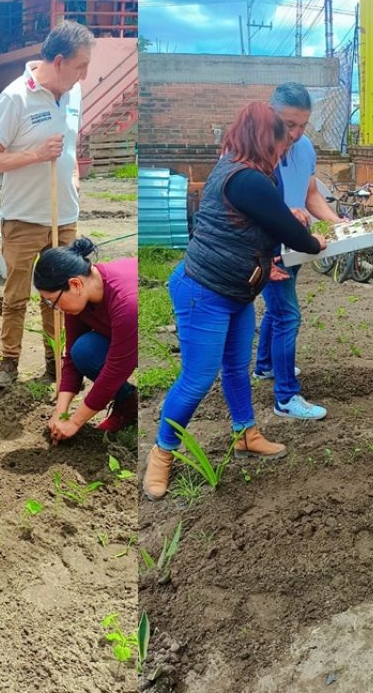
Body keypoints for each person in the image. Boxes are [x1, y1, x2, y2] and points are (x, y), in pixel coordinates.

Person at [143, 102, 327, 500]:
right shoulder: (246, 178)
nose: (283, 151)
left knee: (236, 369)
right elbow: (296, 238)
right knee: (197, 379)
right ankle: (162, 453)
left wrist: (270, 253)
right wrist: (315, 241)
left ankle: (246, 435)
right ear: (264, 140)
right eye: (280, 144)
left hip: (237, 292)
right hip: (204, 292)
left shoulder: (242, 169)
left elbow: (257, 225)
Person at [0, 20, 93, 390]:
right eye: (80, 66)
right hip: (23, 217)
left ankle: (55, 361)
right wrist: (35, 155)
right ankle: (9, 362)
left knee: (61, 294)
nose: (84, 75)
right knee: (16, 295)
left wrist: (72, 175)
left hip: (64, 218)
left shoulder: (74, 93)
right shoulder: (15, 97)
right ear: (59, 61)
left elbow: (70, 147)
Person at [252, 82, 345, 421]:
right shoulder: (251, 149)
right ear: (270, 113)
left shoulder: (305, 148)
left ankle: (265, 365)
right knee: (288, 315)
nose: (295, 133)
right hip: (267, 250)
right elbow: (242, 206)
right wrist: (278, 218)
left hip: (295, 245)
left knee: (278, 311)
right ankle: (286, 397)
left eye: (303, 125)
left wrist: (336, 222)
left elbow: (310, 195)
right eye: (289, 124)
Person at [32, 238, 138, 440]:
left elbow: (116, 369)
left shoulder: (127, 303)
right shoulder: (79, 298)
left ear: (75, 284)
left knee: (109, 364)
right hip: (121, 337)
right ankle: (129, 401)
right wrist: (61, 412)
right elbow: (71, 359)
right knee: (83, 351)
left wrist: (75, 422)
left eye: (53, 302)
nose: (56, 309)